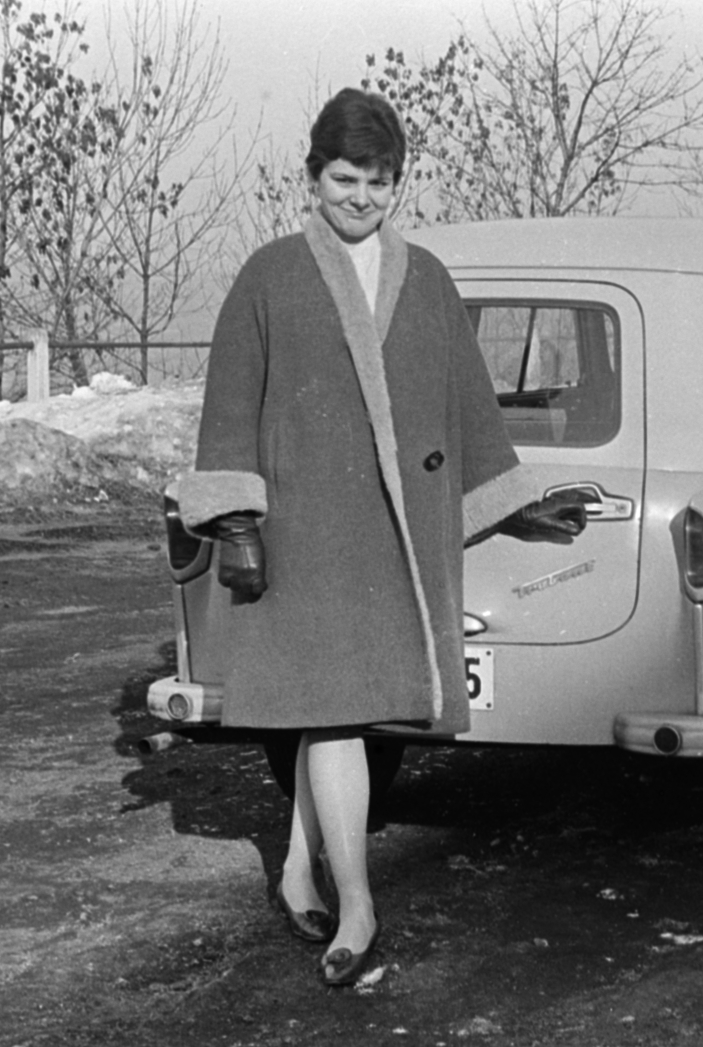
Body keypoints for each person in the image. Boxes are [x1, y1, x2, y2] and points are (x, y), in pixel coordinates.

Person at [171, 88, 585, 986]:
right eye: (344, 178)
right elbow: (231, 401)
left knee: (342, 712)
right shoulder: (269, 274)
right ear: (312, 177)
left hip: (395, 539)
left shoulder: (426, 276)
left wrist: (512, 500)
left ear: (400, 183)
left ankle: (294, 867)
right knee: (334, 714)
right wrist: (236, 514)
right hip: (309, 533)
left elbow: (467, 400)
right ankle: (357, 898)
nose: (361, 197)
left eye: (379, 181)